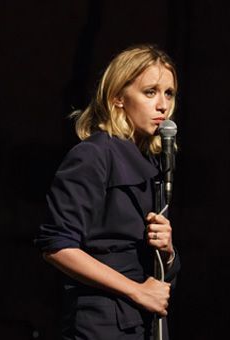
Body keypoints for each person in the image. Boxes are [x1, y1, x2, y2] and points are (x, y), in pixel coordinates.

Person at [35, 45, 182, 339]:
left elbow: (158, 277)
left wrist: (167, 251)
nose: (163, 105)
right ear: (118, 97)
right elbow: (56, 245)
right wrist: (136, 291)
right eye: (150, 92)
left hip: (143, 325)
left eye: (169, 93)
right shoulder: (94, 155)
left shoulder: (153, 163)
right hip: (100, 326)